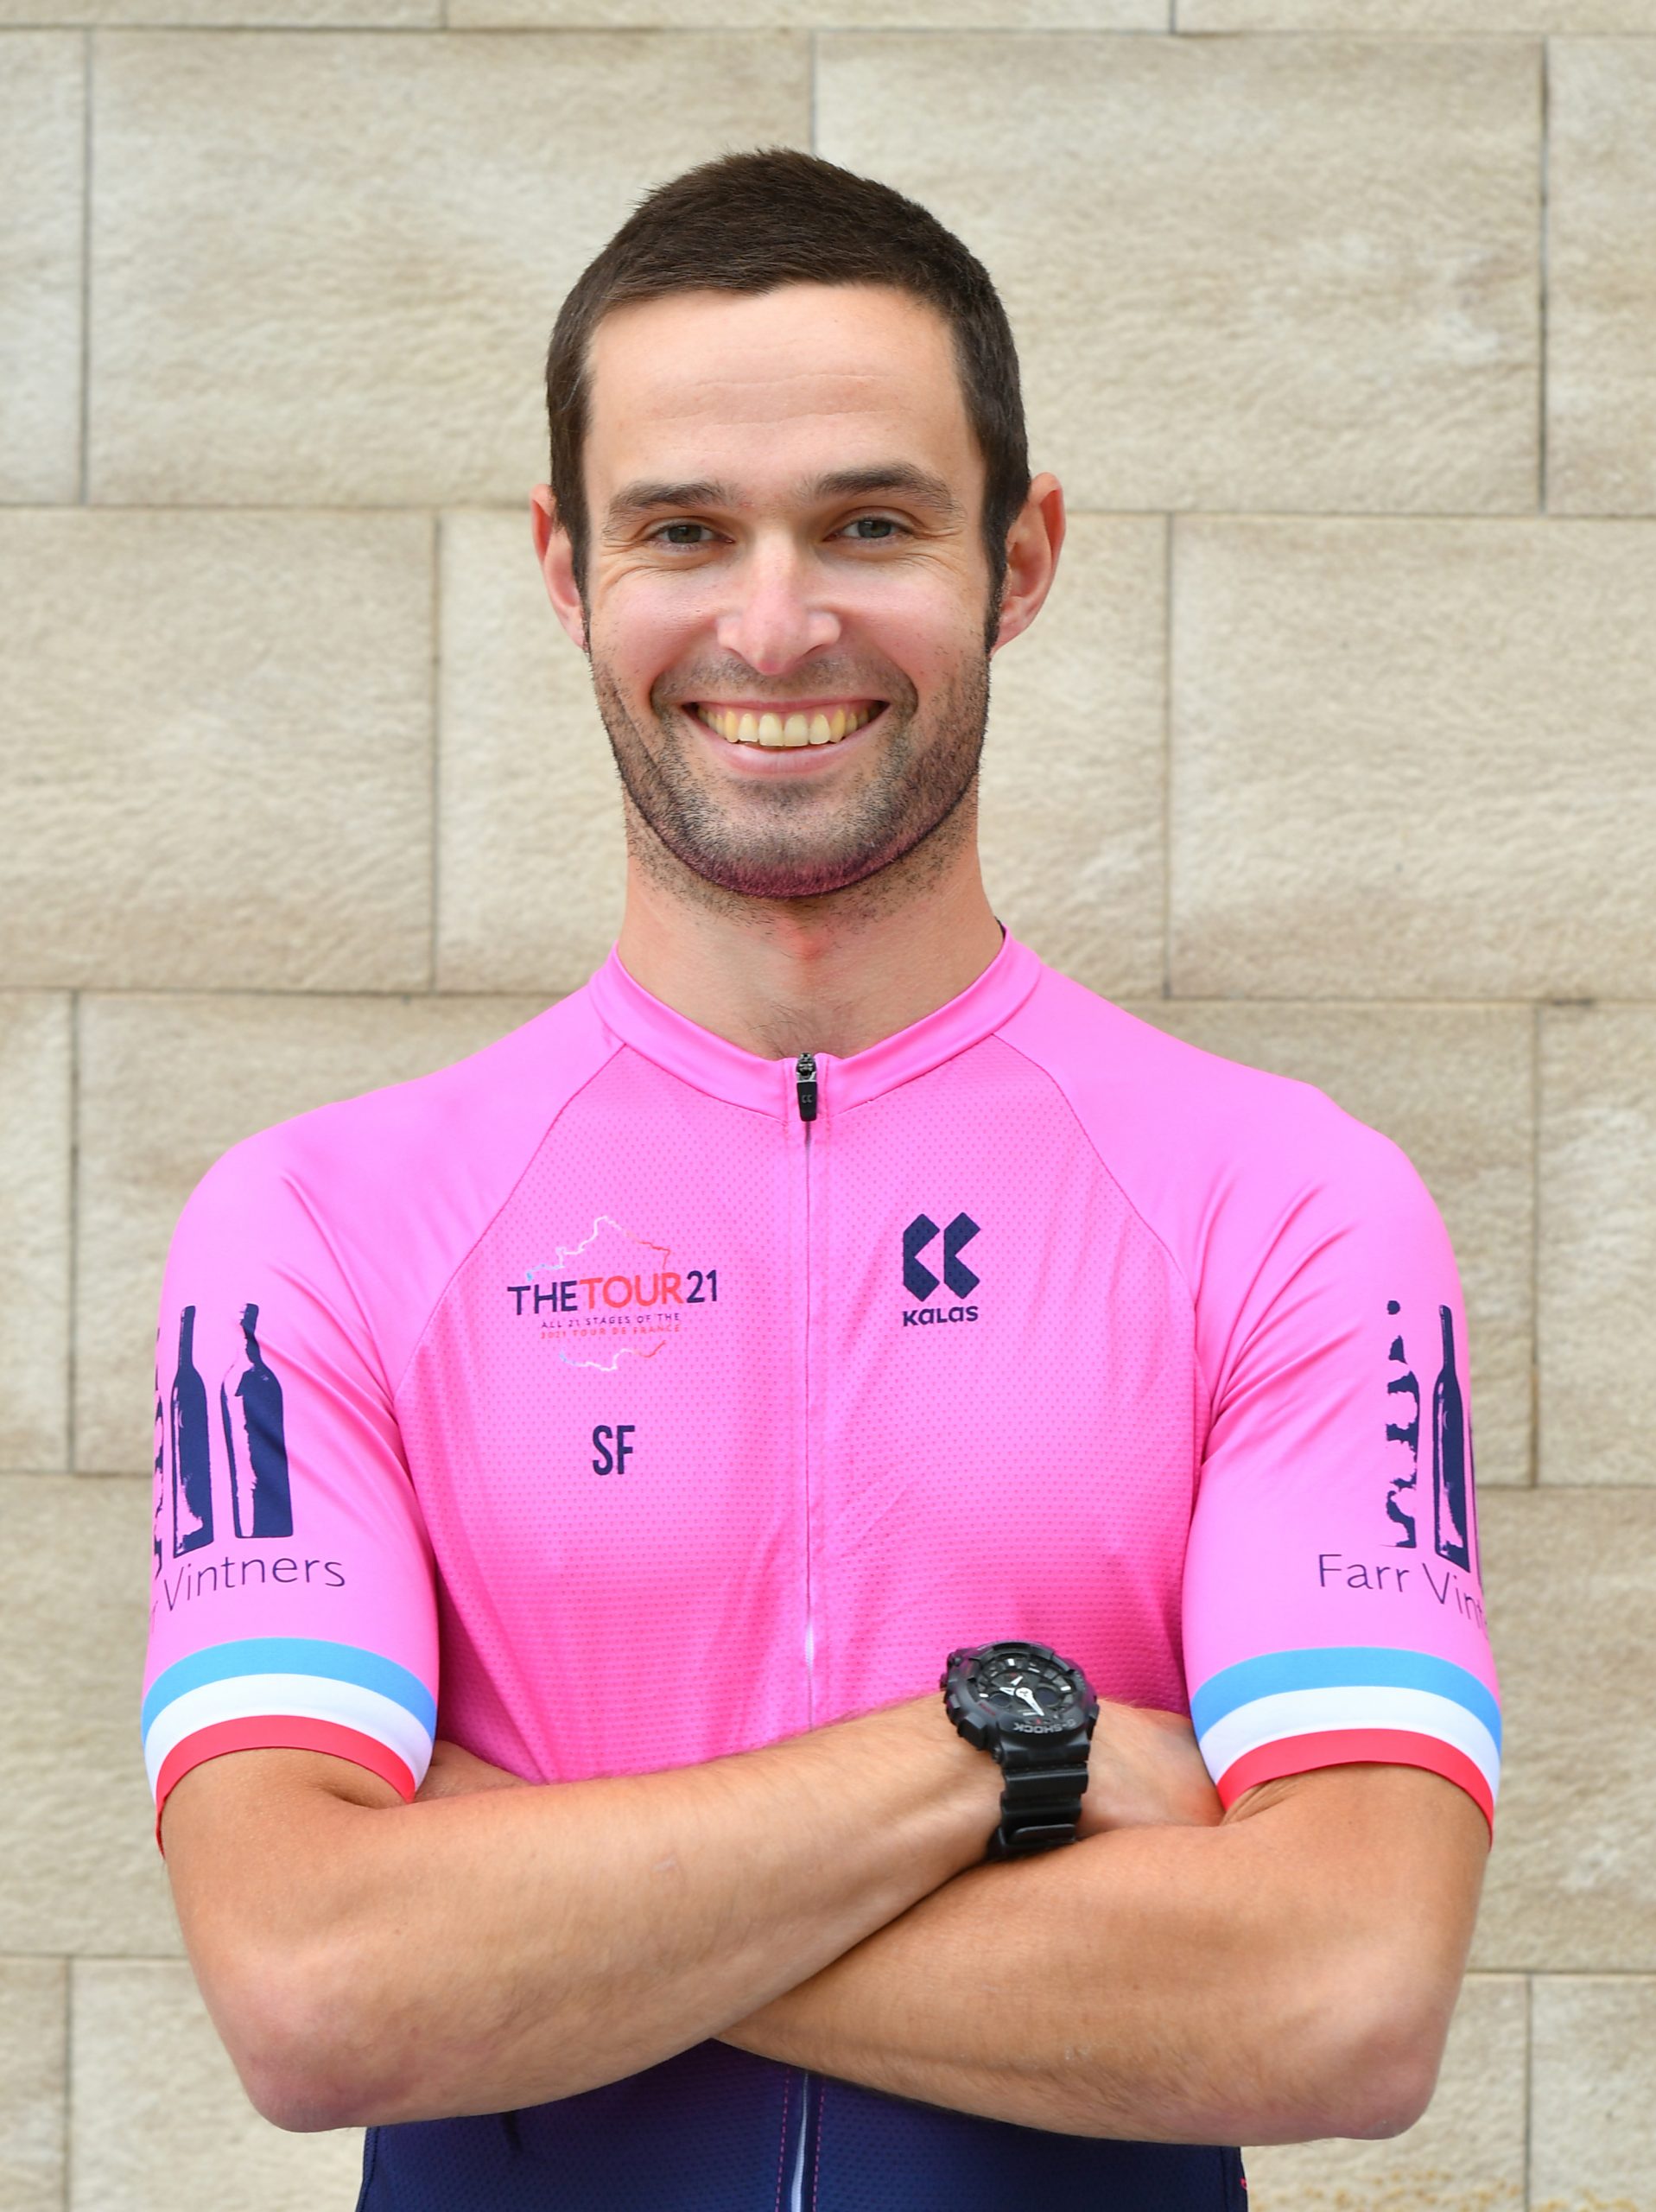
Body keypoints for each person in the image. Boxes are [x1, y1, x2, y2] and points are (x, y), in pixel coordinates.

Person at [143, 149, 1498, 2211]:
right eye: (683, 529)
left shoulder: (1290, 1210)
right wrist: (1010, 1745)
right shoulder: (314, 1234)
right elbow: (317, 1989)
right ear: (563, 565)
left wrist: (530, 1898)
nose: (773, 625)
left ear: (1017, 557)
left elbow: (1338, 1995)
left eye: (869, 523)